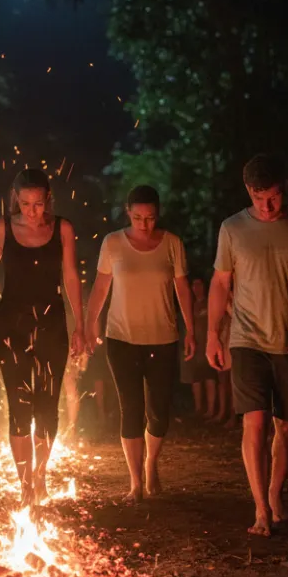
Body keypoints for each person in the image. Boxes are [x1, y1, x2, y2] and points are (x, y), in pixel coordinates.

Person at [206, 154, 288, 536]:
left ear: (285, 187)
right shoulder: (232, 228)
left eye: (273, 197)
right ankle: (260, 508)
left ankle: (276, 495)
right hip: (247, 339)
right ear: (249, 191)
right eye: (260, 198)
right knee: (255, 422)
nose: (267, 206)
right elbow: (220, 283)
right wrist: (214, 332)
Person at [0, 168, 85, 507]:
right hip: (12, 327)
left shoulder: (63, 229)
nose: (32, 211)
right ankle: (25, 484)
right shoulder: (2, 228)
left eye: (38, 204)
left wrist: (81, 324)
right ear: (15, 199)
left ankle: (40, 477)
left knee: (47, 405)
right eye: (25, 203)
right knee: (19, 406)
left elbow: (71, 275)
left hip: (52, 326)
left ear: (48, 200)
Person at [85, 185, 195, 503]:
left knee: (158, 411)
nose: (144, 224)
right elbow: (100, 287)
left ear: (157, 214)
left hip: (163, 338)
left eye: (150, 218)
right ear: (128, 212)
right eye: (137, 217)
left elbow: (183, 289)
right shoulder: (113, 243)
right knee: (130, 408)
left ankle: (150, 462)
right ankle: (135, 481)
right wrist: (89, 323)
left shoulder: (172, 244)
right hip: (122, 338)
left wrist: (192, 330)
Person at [183, 277, 218, 419]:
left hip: (207, 345)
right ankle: (198, 409)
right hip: (194, 347)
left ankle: (211, 409)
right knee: (196, 378)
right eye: (194, 285)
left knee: (209, 377)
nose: (196, 288)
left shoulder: (209, 303)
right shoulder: (189, 305)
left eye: (199, 284)